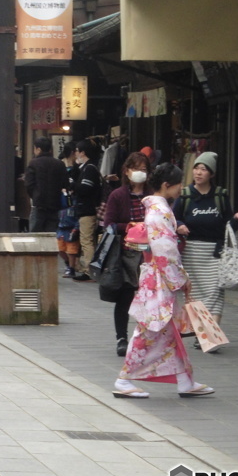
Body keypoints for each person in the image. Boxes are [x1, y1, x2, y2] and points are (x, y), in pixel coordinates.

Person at [114, 163, 214, 399]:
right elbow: (165, 250)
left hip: (157, 277)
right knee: (149, 330)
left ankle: (184, 380)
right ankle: (124, 380)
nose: (182, 188)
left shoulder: (159, 209)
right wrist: (180, 278)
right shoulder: (159, 212)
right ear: (167, 185)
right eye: (179, 184)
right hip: (159, 278)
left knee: (167, 331)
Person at [173, 151, 238, 336]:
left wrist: (237, 219)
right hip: (191, 252)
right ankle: (206, 335)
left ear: (211, 174)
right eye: (196, 168)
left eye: (204, 169)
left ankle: (211, 335)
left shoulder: (220, 196)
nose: (198, 173)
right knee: (196, 294)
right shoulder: (184, 195)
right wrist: (181, 226)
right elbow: (173, 219)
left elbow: (227, 224)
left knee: (216, 292)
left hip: (215, 252)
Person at [102, 152, 151, 357]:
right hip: (125, 252)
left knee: (149, 298)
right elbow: (109, 225)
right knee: (124, 296)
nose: (140, 173)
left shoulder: (153, 195)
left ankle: (147, 337)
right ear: (127, 170)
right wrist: (131, 226)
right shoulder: (118, 195)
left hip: (149, 254)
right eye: (136, 168)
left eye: (144, 169)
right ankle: (122, 337)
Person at [24, 136, 66, 232]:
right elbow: (65, 184)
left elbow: (29, 185)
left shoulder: (33, 163)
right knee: (52, 235)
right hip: (55, 205)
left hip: (39, 205)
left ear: (38, 149)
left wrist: (35, 195)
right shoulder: (59, 164)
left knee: (35, 235)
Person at [73, 140, 103, 277]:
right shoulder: (86, 167)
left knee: (86, 240)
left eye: (77, 151)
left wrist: (72, 185)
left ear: (83, 152)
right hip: (87, 208)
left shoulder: (89, 168)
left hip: (88, 208)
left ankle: (89, 271)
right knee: (88, 239)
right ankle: (89, 268)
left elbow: (86, 188)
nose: (75, 154)